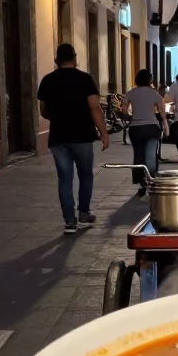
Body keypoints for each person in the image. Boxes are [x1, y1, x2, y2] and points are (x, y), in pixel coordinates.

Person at [38, 44, 108, 234]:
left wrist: (58, 117)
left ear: (56, 60)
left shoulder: (48, 80)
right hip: (82, 136)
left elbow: (43, 110)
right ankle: (84, 212)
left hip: (59, 137)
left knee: (64, 179)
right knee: (85, 175)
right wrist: (103, 133)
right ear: (75, 59)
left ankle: (70, 221)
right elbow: (94, 107)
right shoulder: (85, 79)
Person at [122, 69, 169, 195]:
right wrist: (165, 126)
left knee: (138, 155)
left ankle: (142, 183)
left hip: (135, 129)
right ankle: (152, 180)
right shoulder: (154, 94)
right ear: (150, 80)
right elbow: (163, 112)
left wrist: (130, 118)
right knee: (151, 155)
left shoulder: (130, 93)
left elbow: (124, 111)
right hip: (152, 128)